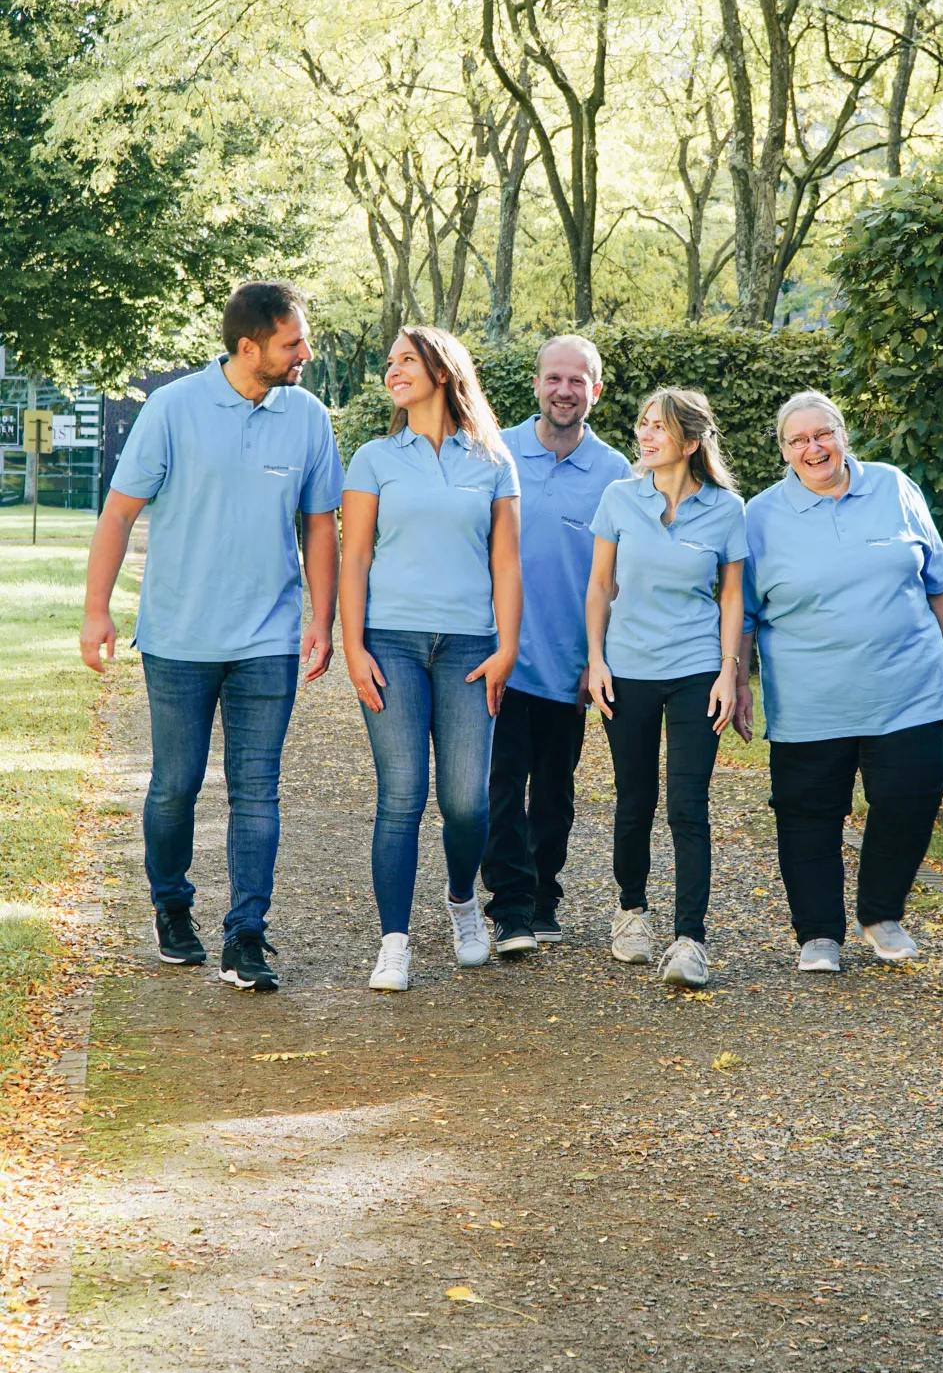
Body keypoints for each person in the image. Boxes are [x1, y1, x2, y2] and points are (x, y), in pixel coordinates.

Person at [80, 281, 343, 993]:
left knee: (257, 791)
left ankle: (246, 935)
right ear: (248, 347)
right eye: (292, 342)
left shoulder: (308, 417)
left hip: (267, 639)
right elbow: (118, 514)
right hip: (178, 636)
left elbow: (320, 525)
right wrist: (97, 611)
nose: (305, 353)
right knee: (176, 785)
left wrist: (322, 618)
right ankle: (172, 908)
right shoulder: (172, 408)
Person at [736, 389, 943, 974]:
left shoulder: (893, 486)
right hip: (810, 698)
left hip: (906, 687)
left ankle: (881, 915)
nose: (813, 448)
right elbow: (743, 612)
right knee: (807, 812)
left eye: (823, 434)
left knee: (913, 795)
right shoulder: (759, 517)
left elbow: (937, 574)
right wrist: (736, 681)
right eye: (798, 440)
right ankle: (817, 934)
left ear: (843, 436)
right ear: (784, 451)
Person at [339, 326, 521, 994]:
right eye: (390, 363)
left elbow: (507, 562)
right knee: (402, 795)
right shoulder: (374, 458)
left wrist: (508, 647)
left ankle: (462, 901)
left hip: (470, 646)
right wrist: (353, 647)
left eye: (406, 360)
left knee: (466, 802)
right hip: (390, 641)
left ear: (442, 372)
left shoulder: (493, 460)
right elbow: (355, 557)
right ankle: (394, 943)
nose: (392, 371)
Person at [586, 388, 746, 989]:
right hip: (626, 668)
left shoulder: (728, 510)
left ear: (692, 441)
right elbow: (600, 585)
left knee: (687, 805)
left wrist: (729, 670)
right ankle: (631, 912)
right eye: (644, 424)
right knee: (634, 799)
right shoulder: (618, 498)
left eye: (660, 426)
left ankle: (689, 941)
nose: (646, 435)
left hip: (697, 670)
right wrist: (595, 660)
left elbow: (732, 596)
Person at [481, 336, 632, 955]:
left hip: (569, 665)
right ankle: (511, 906)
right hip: (496, 657)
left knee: (552, 794)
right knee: (498, 787)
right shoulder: (495, 452)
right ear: (537, 382)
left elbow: (619, 579)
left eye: (577, 381)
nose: (564, 391)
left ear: (595, 390)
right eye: (554, 378)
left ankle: (544, 894)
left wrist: (598, 660)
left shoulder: (616, 473)